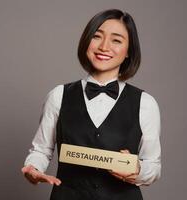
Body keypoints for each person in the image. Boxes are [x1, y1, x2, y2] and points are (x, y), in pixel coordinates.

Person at [21, 9, 161, 200]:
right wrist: (33, 169)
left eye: (116, 40)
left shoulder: (146, 103)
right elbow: (41, 150)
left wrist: (137, 169)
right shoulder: (58, 96)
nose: (104, 46)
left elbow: (153, 166)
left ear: (129, 50)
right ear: (87, 41)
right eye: (97, 36)